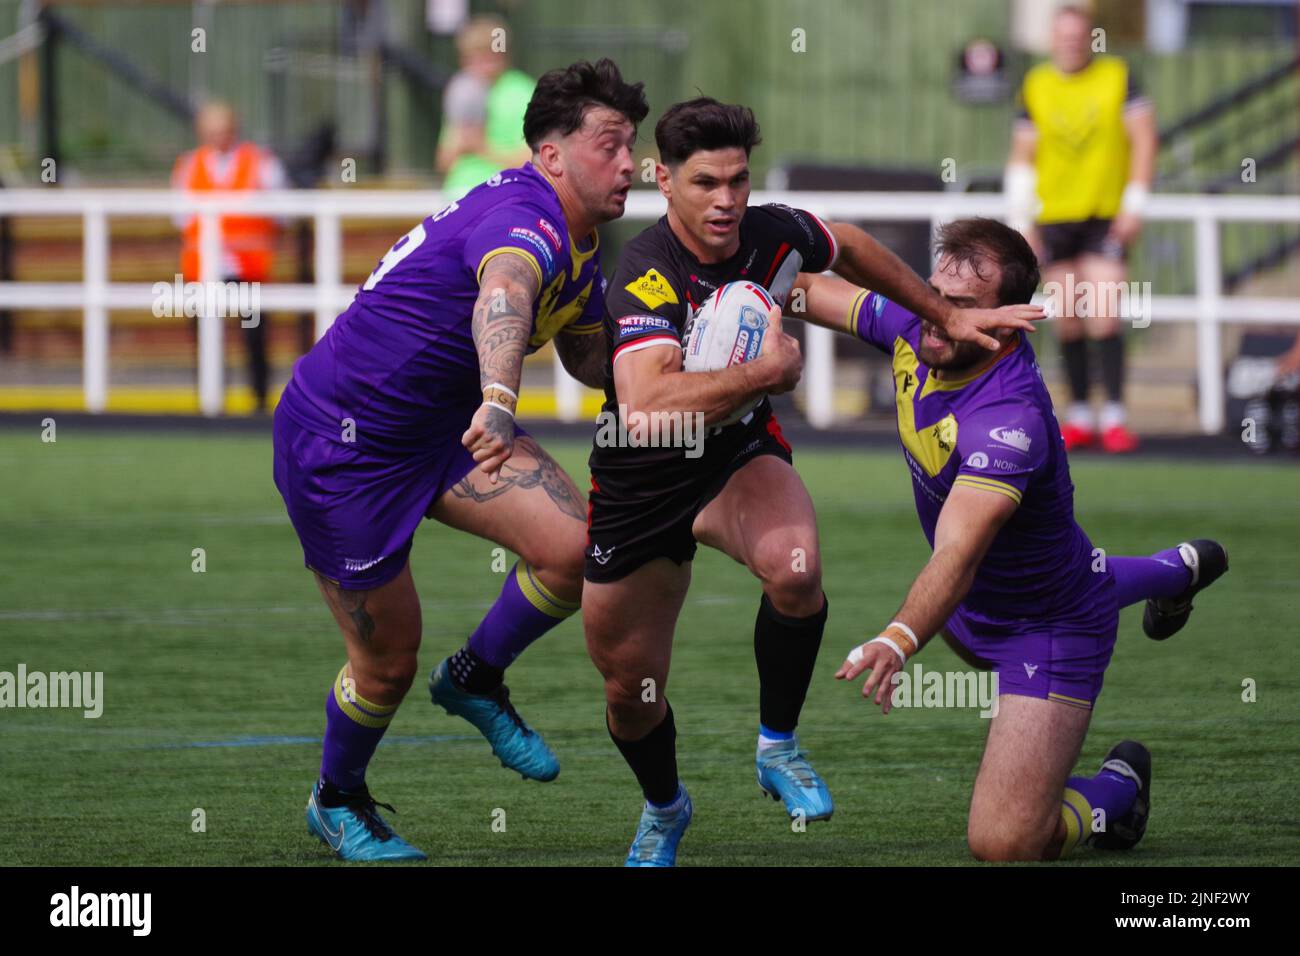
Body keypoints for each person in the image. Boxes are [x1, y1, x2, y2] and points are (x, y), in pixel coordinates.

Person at [582, 98, 1042, 867]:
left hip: (734, 456)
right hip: (641, 482)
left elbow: (853, 247)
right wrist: (770, 369)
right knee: (631, 691)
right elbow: (644, 404)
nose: (726, 200)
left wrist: (943, 314)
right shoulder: (646, 272)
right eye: (705, 183)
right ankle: (665, 808)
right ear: (664, 180)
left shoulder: (769, 231)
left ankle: (777, 746)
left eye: (738, 180)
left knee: (797, 571)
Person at [273, 59, 648, 861]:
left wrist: (686, 360)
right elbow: (503, 294)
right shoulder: (528, 216)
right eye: (610, 144)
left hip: (442, 427)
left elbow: (592, 358)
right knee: (385, 663)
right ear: (551, 155)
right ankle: (336, 801)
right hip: (346, 444)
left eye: (633, 145)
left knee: (577, 549)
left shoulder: (580, 241)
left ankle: (475, 676)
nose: (630, 164)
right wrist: (502, 399)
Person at [799, 218, 1226, 861]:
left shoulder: (1010, 418)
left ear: (1013, 318)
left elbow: (959, 554)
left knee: (1005, 842)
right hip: (972, 608)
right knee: (1076, 569)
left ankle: (1117, 795)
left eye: (964, 308)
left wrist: (896, 637)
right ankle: (1175, 572)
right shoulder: (921, 324)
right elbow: (803, 289)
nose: (939, 317)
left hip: (1046, 626)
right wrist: (729, 277)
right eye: (934, 295)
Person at [1005, 4, 1157, 453]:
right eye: (1063, 36)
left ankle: (1114, 413)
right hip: (1054, 216)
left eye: (1078, 35)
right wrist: (1021, 220)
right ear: (1053, 40)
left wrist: (1135, 204)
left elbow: (1144, 138)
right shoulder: (1037, 84)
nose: (1071, 43)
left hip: (1104, 212)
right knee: (1068, 316)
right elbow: (1022, 154)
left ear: (1090, 37)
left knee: (1104, 310)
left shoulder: (1117, 76)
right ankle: (1078, 414)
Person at [172, 101, 287, 413]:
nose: (218, 137)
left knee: (254, 337)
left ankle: (260, 402)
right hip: (202, 268)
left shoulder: (261, 162)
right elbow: (180, 217)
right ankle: (210, 402)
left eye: (223, 130)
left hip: (247, 266)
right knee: (205, 338)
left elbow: (283, 213)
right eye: (212, 131)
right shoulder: (188, 165)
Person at [436, 15, 536, 199]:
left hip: (502, 197)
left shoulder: (523, 92)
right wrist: (461, 142)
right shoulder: (462, 90)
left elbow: (534, 161)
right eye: (473, 56)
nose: (481, 63)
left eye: (488, 55)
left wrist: (482, 147)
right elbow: (444, 162)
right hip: (456, 198)